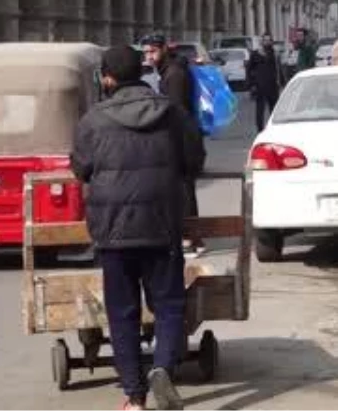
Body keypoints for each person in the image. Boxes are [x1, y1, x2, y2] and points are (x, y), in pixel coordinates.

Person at [71, 46, 204, 411]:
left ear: (107, 77)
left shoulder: (93, 119)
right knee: (169, 304)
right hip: (162, 225)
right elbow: (195, 161)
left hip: (113, 232)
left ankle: (134, 397)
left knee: (122, 311)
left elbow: (80, 168)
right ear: (143, 72)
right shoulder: (171, 113)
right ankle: (161, 367)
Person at [141, 34, 206, 257]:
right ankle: (188, 236)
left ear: (164, 50)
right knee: (181, 190)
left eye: (153, 52)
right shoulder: (170, 70)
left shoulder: (174, 74)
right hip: (182, 136)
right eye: (146, 52)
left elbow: (176, 110)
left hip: (183, 140)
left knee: (185, 191)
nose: (149, 56)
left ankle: (192, 239)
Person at [247, 32, 284, 131]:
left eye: (269, 40)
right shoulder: (255, 54)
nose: (267, 42)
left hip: (273, 86)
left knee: (274, 109)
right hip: (260, 86)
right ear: (261, 41)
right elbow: (249, 70)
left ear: (271, 42)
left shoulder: (274, 54)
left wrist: (283, 83)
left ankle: (274, 128)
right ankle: (260, 129)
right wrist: (251, 85)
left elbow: (279, 69)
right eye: (265, 40)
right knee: (260, 110)